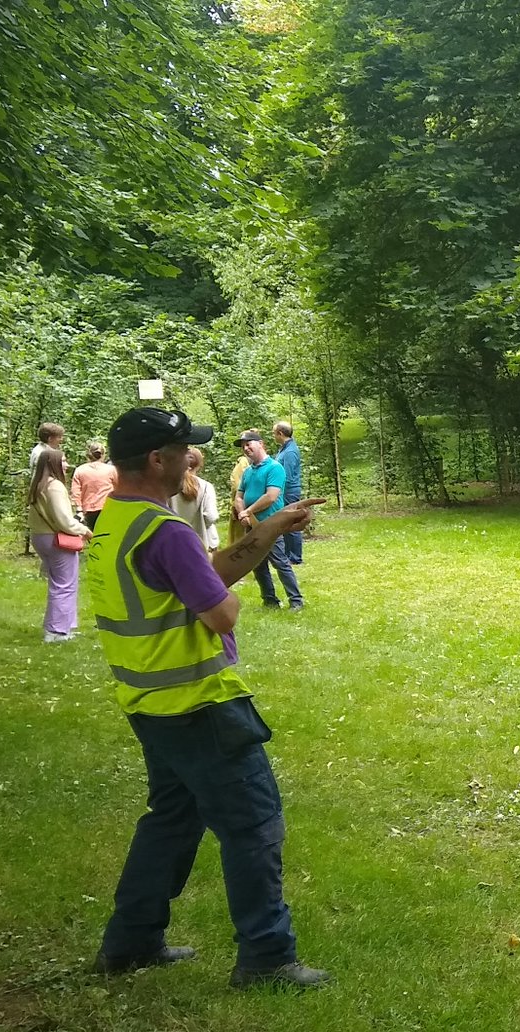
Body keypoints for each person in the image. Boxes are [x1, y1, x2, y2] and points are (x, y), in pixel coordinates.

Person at [89, 406, 330, 989]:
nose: (188, 458)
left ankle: (131, 942)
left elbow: (203, 570)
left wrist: (268, 529)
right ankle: (268, 958)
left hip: (150, 702)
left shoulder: (115, 520)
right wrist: (226, 603)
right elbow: (218, 606)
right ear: (157, 459)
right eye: (182, 450)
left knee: (171, 820)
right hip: (200, 702)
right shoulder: (166, 531)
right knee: (254, 824)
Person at [234, 429, 305, 611]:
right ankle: (269, 600)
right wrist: (242, 513)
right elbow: (239, 496)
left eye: (249, 444)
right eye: (243, 446)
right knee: (258, 565)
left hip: (271, 525)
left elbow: (271, 496)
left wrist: (247, 512)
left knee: (280, 563)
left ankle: (296, 600)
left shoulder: (274, 468)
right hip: (251, 527)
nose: (246, 448)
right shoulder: (248, 471)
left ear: (261, 444)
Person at [27, 447, 92, 642]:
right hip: (56, 539)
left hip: (40, 536)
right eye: (63, 461)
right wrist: (84, 530)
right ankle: (56, 632)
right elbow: (64, 519)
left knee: (59, 582)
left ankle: (64, 625)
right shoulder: (54, 486)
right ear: (53, 463)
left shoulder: (37, 483)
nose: (66, 464)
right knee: (65, 584)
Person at [168, 446, 220, 555]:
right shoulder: (206, 487)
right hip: (202, 544)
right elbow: (211, 516)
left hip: (175, 543)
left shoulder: (170, 486)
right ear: (199, 464)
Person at [273, 421, 303, 564]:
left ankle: (295, 557)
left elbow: (288, 476)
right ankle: (288, 554)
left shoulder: (290, 452)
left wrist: (278, 490)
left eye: (274, 433)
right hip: (284, 491)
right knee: (285, 523)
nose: (273, 436)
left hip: (289, 492)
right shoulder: (283, 449)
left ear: (280, 433)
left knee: (292, 522)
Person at [70, 441, 118, 530]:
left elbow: (76, 493)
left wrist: (79, 510)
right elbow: (119, 488)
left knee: (92, 538)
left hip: (88, 510)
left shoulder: (80, 470)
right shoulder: (111, 470)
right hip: (108, 508)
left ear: (88, 455)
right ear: (103, 454)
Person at [228, 453, 250, 545]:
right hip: (241, 505)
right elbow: (237, 486)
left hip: (247, 506)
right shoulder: (243, 462)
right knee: (240, 537)